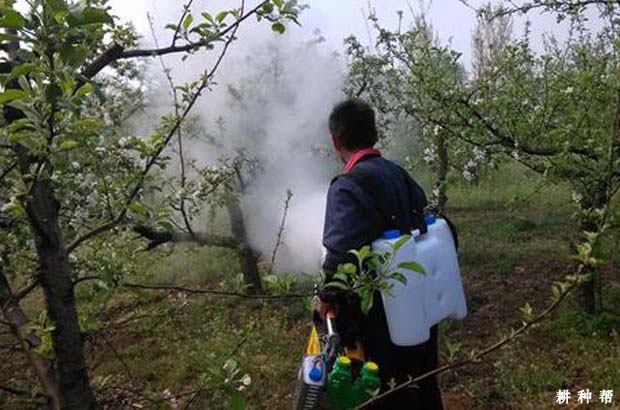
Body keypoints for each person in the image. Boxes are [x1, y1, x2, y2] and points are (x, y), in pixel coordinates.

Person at [316, 99, 444, 409]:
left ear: (336, 141)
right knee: (422, 383)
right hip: (420, 306)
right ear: (374, 135)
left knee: (384, 392)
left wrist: (326, 296)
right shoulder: (401, 176)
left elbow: (340, 256)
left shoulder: (346, 187)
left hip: (378, 317)